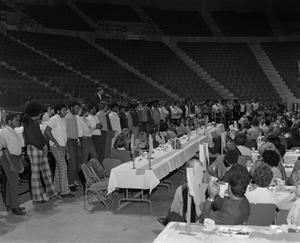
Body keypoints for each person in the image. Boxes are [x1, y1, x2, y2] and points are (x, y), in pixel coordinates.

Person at [23, 101, 57, 203]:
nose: (41, 114)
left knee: (46, 172)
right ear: (36, 112)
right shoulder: (28, 123)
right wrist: (42, 146)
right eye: (40, 112)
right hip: (34, 149)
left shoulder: (34, 122)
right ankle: (37, 198)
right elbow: (33, 140)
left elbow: (40, 137)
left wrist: (44, 145)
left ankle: (51, 193)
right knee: (36, 174)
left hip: (39, 149)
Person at [45, 104, 74, 198]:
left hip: (62, 147)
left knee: (59, 168)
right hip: (55, 147)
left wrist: (67, 151)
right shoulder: (54, 118)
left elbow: (64, 136)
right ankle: (64, 191)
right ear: (58, 111)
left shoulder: (63, 120)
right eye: (64, 110)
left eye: (66, 110)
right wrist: (56, 142)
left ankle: (56, 189)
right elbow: (47, 132)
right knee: (63, 167)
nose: (65, 112)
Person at [0, 114, 26, 215]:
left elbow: (17, 148)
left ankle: (10, 204)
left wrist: (19, 162)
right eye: (16, 120)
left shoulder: (13, 131)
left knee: (10, 183)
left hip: (14, 158)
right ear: (10, 121)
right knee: (14, 183)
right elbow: (4, 149)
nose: (18, 121)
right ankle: (15, 207)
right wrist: (10, 164)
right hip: (8, 159)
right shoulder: (5, 132)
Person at [65, 102, 81, 191]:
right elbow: (66, 132)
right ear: (71, 107)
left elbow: (75, 130)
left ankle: (73, 181)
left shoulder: (74, 116)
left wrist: (77, 139)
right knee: (72, 163)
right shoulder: (68, 117)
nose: (78, 109)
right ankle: (70, 184)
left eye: (78, 108)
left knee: (76, 163)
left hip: (74, 141)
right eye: (76, 108)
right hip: (69, 141)